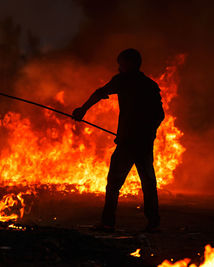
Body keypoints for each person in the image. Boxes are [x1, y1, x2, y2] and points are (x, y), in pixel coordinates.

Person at [72, 49, 164, 232]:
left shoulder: (123, 81)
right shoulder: (150, 85)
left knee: (114, 183)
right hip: (143, 143)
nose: (119, 67)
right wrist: (149, 133)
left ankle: (108, 223)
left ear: (130, 63)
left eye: (121, 63)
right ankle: (153, 222)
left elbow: (100, 93)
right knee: (148, 183)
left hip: (128, 143)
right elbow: (159, 115)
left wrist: (83, 110)